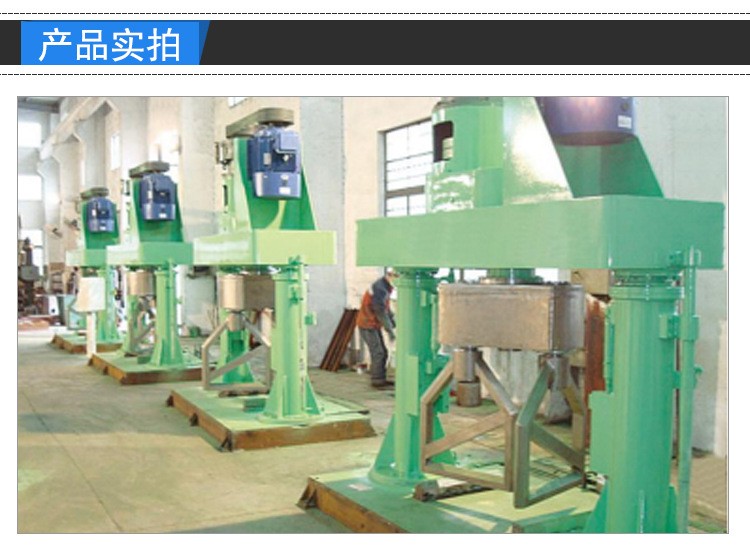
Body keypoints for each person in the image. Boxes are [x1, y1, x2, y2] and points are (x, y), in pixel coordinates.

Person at [356, 269, 397, 388]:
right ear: (390, 275)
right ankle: (377, 381)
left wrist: (392, 321)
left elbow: (385, 308)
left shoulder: (385, 286)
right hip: (367, 324)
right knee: (378, 352)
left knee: (383, 352)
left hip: (372, 324)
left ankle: (380, 378)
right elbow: (380, 311)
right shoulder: (380, 288)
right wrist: (390, 330)